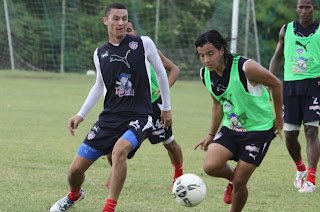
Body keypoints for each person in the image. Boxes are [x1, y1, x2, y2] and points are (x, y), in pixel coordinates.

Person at [49, 2, 172, 212]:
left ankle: (109, 208)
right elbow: (99, 85)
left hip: (140, 115)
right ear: (106, 21)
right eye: (116, 18)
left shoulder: (143, 43)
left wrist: (166, 107)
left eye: (124, 18)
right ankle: (75, 195)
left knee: (119, 150)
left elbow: (161, 73)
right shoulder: (99, 53)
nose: (121, 23)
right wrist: (81, 114)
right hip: (109, 119)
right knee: (74, 171)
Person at [194, 29, 283, 212]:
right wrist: (211, 134)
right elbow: (217, 104)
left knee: (241, 182)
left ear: (221, 50)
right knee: (210, 166)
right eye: (202, 55)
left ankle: (235, 189)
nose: (206, 60)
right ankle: (232, 180)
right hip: (232, 128)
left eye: (210, 53)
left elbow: (275, 83)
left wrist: (279, 118)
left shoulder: (246, 67)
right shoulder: (205, 74)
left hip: (258, 131)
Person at [105, 20, 183, 189]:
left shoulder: (147, 49)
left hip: (154, 106)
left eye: (130, 30)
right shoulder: (114, 54)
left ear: (135, 32)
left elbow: (174, 69)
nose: (127, 33)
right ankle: (115, 172)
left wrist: (164, 90)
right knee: (112, 146)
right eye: (123, 30)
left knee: (169, 143)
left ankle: (179, 174)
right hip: (128, 108)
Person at [269, 0, 320, 193]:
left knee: (311, 132)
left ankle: (311, 180)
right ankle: (301, 169)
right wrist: (270, 80)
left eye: (308, 7)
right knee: (289, 135)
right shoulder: (286, 30)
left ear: (314, 8)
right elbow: (277, 56)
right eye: (301, 7)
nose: (304, 11)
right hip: (290, 85)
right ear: (296, 8)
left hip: (314, 85)